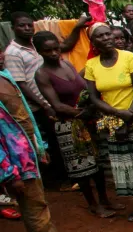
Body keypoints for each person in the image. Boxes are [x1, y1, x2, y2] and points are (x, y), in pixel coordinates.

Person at [0, 50, 85, 232]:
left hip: (25, 154)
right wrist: (9, 173)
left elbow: (24, 117)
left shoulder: (4, 77)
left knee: (35, 204)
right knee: (35, 206)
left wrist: (38, 147)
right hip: (15, 162)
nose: (1, 55)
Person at [33, 32, 117, 219]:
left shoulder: (67, 64)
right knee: (80, 167)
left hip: (87, 121)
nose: (54, 53)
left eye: (56, 48)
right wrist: (81, 112)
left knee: (97, 163)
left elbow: (84, 87)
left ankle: (104, 199)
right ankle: (93, 204)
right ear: (39, 52)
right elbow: (56, 105)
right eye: (48, 50)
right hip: (68, 125)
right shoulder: (41, 74)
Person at [84, 24, 133, 222]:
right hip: (112, 120)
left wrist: (127, 119)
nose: (107, 38)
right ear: (93, 43)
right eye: (100, 36)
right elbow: (94, 98)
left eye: (108, 33)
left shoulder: (129, 58)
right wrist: (118, 114)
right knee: (126, 165)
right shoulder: (92, 65)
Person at [4, 11, 70, 190]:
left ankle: (65, 176)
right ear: (13, 28)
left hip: (50, 101)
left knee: (59, 139)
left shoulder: (36, 46)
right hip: (38, 106)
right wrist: (43, 104)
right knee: (50, 143)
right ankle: (56, 181)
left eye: (29, 25)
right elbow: (20, 84)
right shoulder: (13, 52)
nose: (26, 28)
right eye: (21, 25)